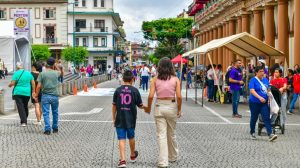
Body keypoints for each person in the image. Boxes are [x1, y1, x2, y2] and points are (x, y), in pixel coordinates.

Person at [144, 57, 182, 168]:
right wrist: (179, 109)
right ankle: (173, 156)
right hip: (172, 106)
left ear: (159, 67)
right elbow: (179, 96)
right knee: (172, 133)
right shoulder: (175, 79)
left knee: (161, 135)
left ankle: (162, 162)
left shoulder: (155, 79)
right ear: (171, 67)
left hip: (159, 106)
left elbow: (151, 96)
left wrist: (148, 108)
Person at [112, 70, 144, 168]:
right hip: (131, 118)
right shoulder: (135, 91)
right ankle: (133, 155)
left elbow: (114, 106)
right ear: (132, 80)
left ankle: (122, 160)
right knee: (131, 137)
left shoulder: (118, 90)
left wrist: (114, 118)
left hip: (120, 118)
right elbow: (140, 105)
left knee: (121, 139)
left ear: (122, 79)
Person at [248, 66, 278, 142]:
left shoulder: (266, 80)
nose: (262, 73)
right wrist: (259, 97)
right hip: (254, 102)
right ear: (256, 72)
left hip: (264, 103)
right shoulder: (253, 80)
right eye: (261, 71)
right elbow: (252, 91)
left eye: (263, 71)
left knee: (266, 118)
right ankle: (252, 132)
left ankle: (270, 134)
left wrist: (269, 95)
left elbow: (268, 89)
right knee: (254, 118)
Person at [36, 57, 62, 135]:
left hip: (45, 96)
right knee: (55, 112)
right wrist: (56, 65)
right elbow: (60, 71)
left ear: (46, 64)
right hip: (55, 95)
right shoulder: (56, 73)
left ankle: (47, 129)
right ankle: (55, 128)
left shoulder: (42, 74)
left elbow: (38, 86)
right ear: (53, 64)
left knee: (46, 113)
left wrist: (36, 95)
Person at [8, 62, 36, 127]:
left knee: (20, 107)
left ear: (17, 67)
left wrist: (9, 85)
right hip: (27, 92)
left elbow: (13, 83)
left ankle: (24, 122)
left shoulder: (16, 73)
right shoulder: (28, 73)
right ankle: (24, 118)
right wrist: (33, 91)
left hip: (18, 92)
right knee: (25, 106)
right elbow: (33, 83)